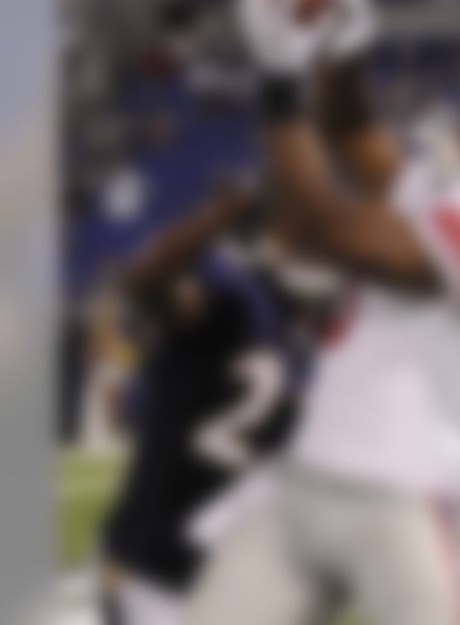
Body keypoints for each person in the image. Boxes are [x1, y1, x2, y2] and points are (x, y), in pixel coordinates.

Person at [187, 0, 460, 625]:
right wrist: (351, 41)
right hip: (303, 489)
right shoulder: (446, 200)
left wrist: (279, 76)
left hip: (400, 500)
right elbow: (352, 130)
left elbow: (318, 227)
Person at [101, 180, 329, 625]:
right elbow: (146, 284)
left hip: (223, 560)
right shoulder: (232, 295)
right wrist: (217, 218)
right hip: (162, 562)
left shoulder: (283, 315)